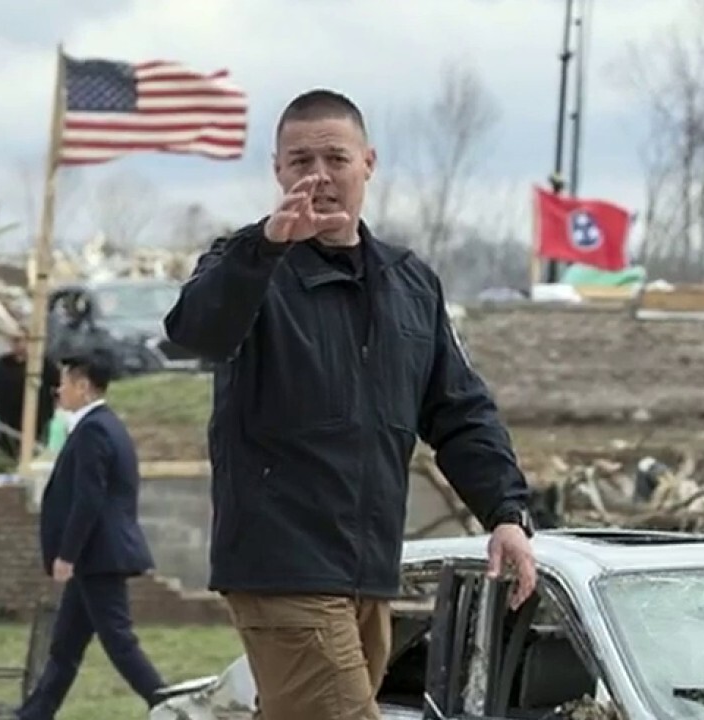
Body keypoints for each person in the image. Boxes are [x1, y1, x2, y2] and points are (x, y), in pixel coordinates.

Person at [163, 89, 537, 720]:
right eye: (299, 160)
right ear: (277, 171)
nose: (318, 176)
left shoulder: (410, 283)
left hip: (367, 574)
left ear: (368, 162)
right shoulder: (245, 265)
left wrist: (506, 510)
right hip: (282, 566)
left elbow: (459, 409)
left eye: (334, 158)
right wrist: (267, 246)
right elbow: (192, 332)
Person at [19, 350, 166, 720]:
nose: (58, 390)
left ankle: (170, 705)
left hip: (99, 556)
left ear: (83, 387)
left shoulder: (95, 430)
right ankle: (34, 714)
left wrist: (67, 554)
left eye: (64, 382)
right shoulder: (103, 425)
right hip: (95, 557)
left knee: (119, 642)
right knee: (65, 647)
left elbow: (89, 499)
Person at [0, 328, 60, 456]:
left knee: (34, 452)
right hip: (9, 420)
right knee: (10, 452)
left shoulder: (42, 363)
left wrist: (53, 406)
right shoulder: (3, 364)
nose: (19, 345)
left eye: (22, 340)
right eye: (15, 341)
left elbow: (58, 385)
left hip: (37, 420)